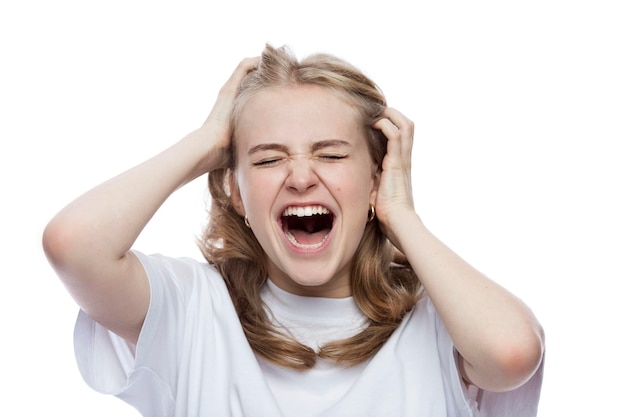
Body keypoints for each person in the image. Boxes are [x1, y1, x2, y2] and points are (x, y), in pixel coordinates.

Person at [42, 44, 545, 417]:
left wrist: (402, 217)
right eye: (268, 159)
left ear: (376, 177)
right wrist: (206, 142)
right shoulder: (192, 310)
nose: (301, 176)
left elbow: (512, 353)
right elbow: (74, 244)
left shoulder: (440, 323)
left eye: (330, 154)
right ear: (236, 192)